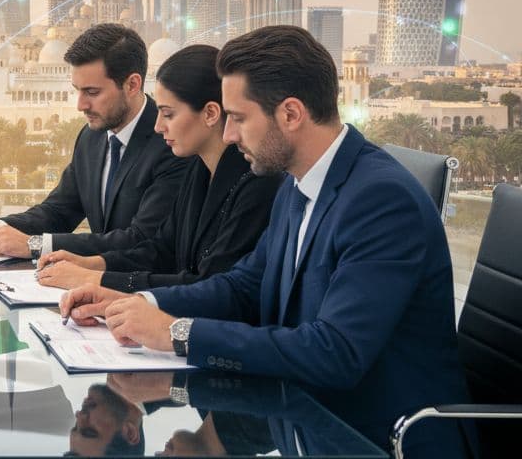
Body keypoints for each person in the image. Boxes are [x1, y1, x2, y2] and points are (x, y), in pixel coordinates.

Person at [57, 26, 471, 457]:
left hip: (375, 439)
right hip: (302, 424)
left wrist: (177, 333)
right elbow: (244, 285)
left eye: (238, 118)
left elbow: (335, 352)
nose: (229, 135)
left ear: (290, 114)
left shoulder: (381, 200)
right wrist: (136, 303)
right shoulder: (297, 183)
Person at [34, 44, 280, 292]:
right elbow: (162, 250)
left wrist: (95, 280)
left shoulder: (255, 180)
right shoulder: (198, 169)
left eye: (168, 114)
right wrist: (91, 264)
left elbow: (211, 284)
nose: (158, 126)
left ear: (210, 113)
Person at [0, 24, 188, 259]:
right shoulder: (92, 137)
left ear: (132, 85)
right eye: (77, 90)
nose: (80, 105)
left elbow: (141, 239)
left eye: (92, 92)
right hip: (92, 279)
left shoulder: (171, 143)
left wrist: (36, 245)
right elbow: (59, 211)